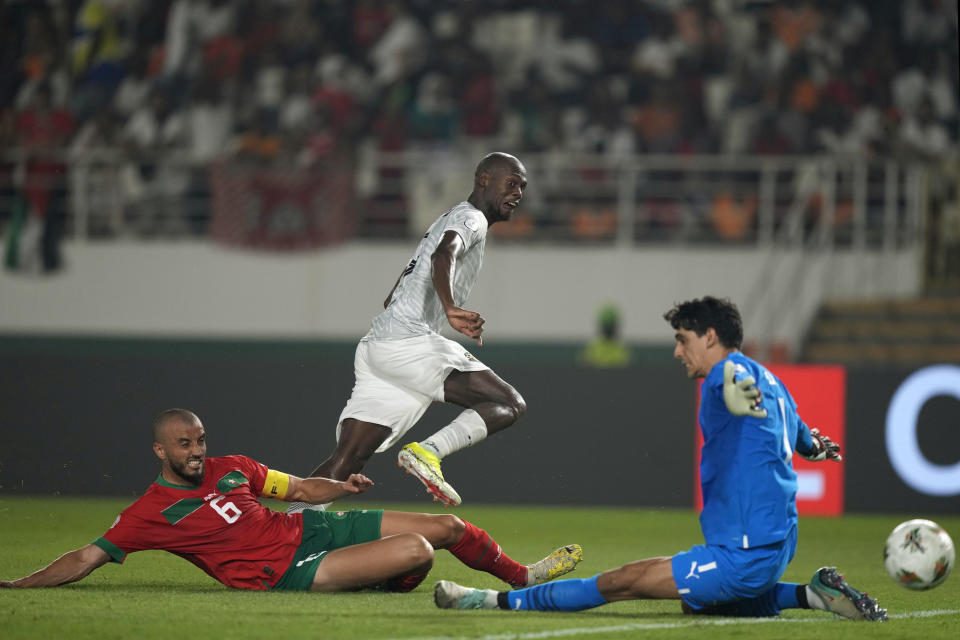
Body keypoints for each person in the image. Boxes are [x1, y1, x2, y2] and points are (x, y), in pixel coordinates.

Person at [433, 296, 888, 622]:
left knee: (618, 583)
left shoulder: (725, 375)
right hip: (777, 542)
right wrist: (813, 447)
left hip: (745, 553)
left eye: (682, 339)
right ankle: (813, 594)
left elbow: (733, 384)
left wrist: (739, 395)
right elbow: (804, 439)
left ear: (710, 337)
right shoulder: (770, 379)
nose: (676, 350)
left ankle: (488, 602)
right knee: (699, 602)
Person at [0, 409, 581, 593]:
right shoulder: (149, 513)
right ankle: (372, 581)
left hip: (311, 534)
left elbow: (301, 491)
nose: (198, 450)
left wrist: (344, 488)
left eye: (200, 439)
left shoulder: (234, 468)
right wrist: (19, 586)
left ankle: (522, 576)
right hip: (284, 571)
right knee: (417, 551)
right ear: (161, 450)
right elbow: (87, 556)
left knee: (447, 526)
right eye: (185, 444)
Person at [289, 152, 529, 511]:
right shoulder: (472, 218)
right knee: (509, 403)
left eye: (523, 186)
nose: (518, 193)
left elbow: (393, 296)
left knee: (349, 457)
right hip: (406, 342)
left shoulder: (448, 217)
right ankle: (429, 452)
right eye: (511, 183)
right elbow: (443, 255)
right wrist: (449, 308)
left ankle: (289, 528)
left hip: (378, 348)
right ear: (483, 179)